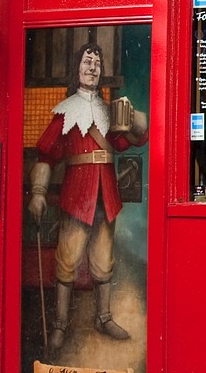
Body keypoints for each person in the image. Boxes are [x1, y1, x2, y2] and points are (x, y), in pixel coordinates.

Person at [27, 42, 147, 352]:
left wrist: (133, 117)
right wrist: (39, 193)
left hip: (105, 195)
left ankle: (103, 317)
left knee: (103, 261)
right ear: (77, 69)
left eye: (96, 62)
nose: (92, 67)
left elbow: (135, 139)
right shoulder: (65, 112)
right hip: (76, 196)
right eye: (86, 61)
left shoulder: (111, 113)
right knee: (66, 261)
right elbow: (46, 157)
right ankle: (60, 323)